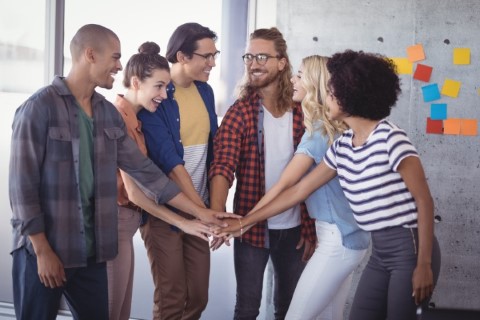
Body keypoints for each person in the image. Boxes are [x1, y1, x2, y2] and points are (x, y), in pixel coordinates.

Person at [8, 24, 228, 320]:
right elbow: (22, 188)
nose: (119, 66)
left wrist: (201, 214)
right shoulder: (38, 108)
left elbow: (146, 173)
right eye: (114, 57)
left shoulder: (106, 112)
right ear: (90, 55)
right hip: (45, 250)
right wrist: (42, 249)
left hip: (93, 253)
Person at [221, 49, 441, 320]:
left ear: (351, 96)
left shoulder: (389, 137)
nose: (328, 98)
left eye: (333, 93)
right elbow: (298, 190)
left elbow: (425, 201)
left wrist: (424, 264)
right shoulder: (342, 146)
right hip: (376, 250)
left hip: (406, 245)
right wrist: (245, 222)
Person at [215, 55, 370, 320]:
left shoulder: (319, 133)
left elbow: (289, 187)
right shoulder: (333, 128)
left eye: (299, 75)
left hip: (337, 240)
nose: (293, 80)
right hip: (351, 238)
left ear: (315, 84)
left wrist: (245, 222)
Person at [208, 27, 317, 320]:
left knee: (290, 308)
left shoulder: (302, 111)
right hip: (250, 227)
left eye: (262, 57)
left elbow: (313, 177)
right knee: (247, 308)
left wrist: (310, 227)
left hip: (296, 228)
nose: (253, 63)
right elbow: (223, 165)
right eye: (249, 56)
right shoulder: (240, 111)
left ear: (282, 62)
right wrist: (218, 215)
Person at [107, 41, 218, 320]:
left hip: (135, 219)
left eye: (166, 88)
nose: (165, 95)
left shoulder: (136, 118)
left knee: (123, 309)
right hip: (120, 221)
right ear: (136, 82)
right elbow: (140, 190)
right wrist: (188, 218)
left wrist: (201, 213)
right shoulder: (118, 118)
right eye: (159, 87)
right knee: (122, 307)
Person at [137, 23, 220, 320]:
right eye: (206, 56)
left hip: (199, 205)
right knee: (172, 298)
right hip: (167, 209)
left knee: (198, 295)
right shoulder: (158, 94)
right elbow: (170, 162)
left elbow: (214, 149)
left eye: (215, 54)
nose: (212, 63)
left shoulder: (206, 91)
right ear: (183, 56)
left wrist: (209, 207)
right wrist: (202, 211)